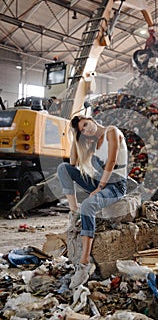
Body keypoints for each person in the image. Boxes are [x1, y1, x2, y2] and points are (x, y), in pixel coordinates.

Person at [57, 115, 128, 289]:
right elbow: (72, 163)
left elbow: (111, 161)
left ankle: (84, 263)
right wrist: (75, 137)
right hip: (100, 183)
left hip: (115, 185)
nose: (87, 129)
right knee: (63, 168)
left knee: (88, 205)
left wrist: (100, 187)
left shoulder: (112, 131)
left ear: (92, 119)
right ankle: (74, 213)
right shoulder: (93, 143)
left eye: (86, 125)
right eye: (83, 130)